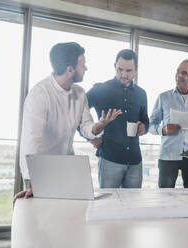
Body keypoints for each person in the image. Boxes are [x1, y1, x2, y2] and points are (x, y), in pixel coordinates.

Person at [14, 42, 121, 201]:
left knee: (70, 214)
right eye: (83, 64)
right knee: (42, 218)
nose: (86, 68)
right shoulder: (40, 94)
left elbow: (86, 127)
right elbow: (31, 141)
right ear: (70, 70)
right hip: (40, 169)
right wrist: (32, 181)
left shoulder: (80, 93)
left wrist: (99, 126)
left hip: (66, 165)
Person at [85, 49, 149, 188]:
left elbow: (145, 120)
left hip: (135, 162)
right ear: (114, 66)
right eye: (120, 69)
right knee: (108, 207)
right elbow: (77, 113)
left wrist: (144, 127)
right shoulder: (100, 89)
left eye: (128, 70)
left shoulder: (141, 94)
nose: (124, 74)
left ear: (136, 70)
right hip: (110, 160)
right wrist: (90, 136)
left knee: (133, 207)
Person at [149, 59, 188, 188]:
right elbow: (151, 125)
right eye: (178, 71)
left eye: (184, 73)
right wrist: (163, 130)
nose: (179, 75)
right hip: (168, 155)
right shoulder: (163, 97)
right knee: (165, 197)